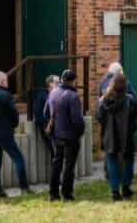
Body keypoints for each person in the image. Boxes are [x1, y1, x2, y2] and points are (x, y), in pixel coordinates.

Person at [0, 70, 31, 198]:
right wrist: (13, 125)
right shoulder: (6, 95)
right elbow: (14, 114)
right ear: (3, 81)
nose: (7, 82)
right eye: (6, 80)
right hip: (4, 132)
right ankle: (24, 188)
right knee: (18, 159)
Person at [97, 74, 137, 201]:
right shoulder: (130, 100)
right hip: (126, 135)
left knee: (111, 161)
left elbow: (99, 118)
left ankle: (115, 191)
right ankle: (125, 187)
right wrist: (132, 130)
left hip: (109, 135)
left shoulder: (104, 100)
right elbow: (135, 117)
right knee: (128, 161)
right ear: (125, 86)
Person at [45, 68, 85, 201]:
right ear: (73, 81)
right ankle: (67, 193)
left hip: (56, 135)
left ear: (62, 79)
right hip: (70, 136)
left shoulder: (53, 93)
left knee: (56, 164)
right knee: (69, 165)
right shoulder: (73, 96)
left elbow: (46, 113)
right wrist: (80, 132)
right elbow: (77, 120)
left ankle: (53, 193)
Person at [33, 74, 60, 157]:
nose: (59, 85)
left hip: (60, 128)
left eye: (60, 83)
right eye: (57, 83)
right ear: (50, 84)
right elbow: (38, 114)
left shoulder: (59, 94)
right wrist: (46, 126)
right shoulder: (42, 96)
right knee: (55, 153)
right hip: (49, 128)